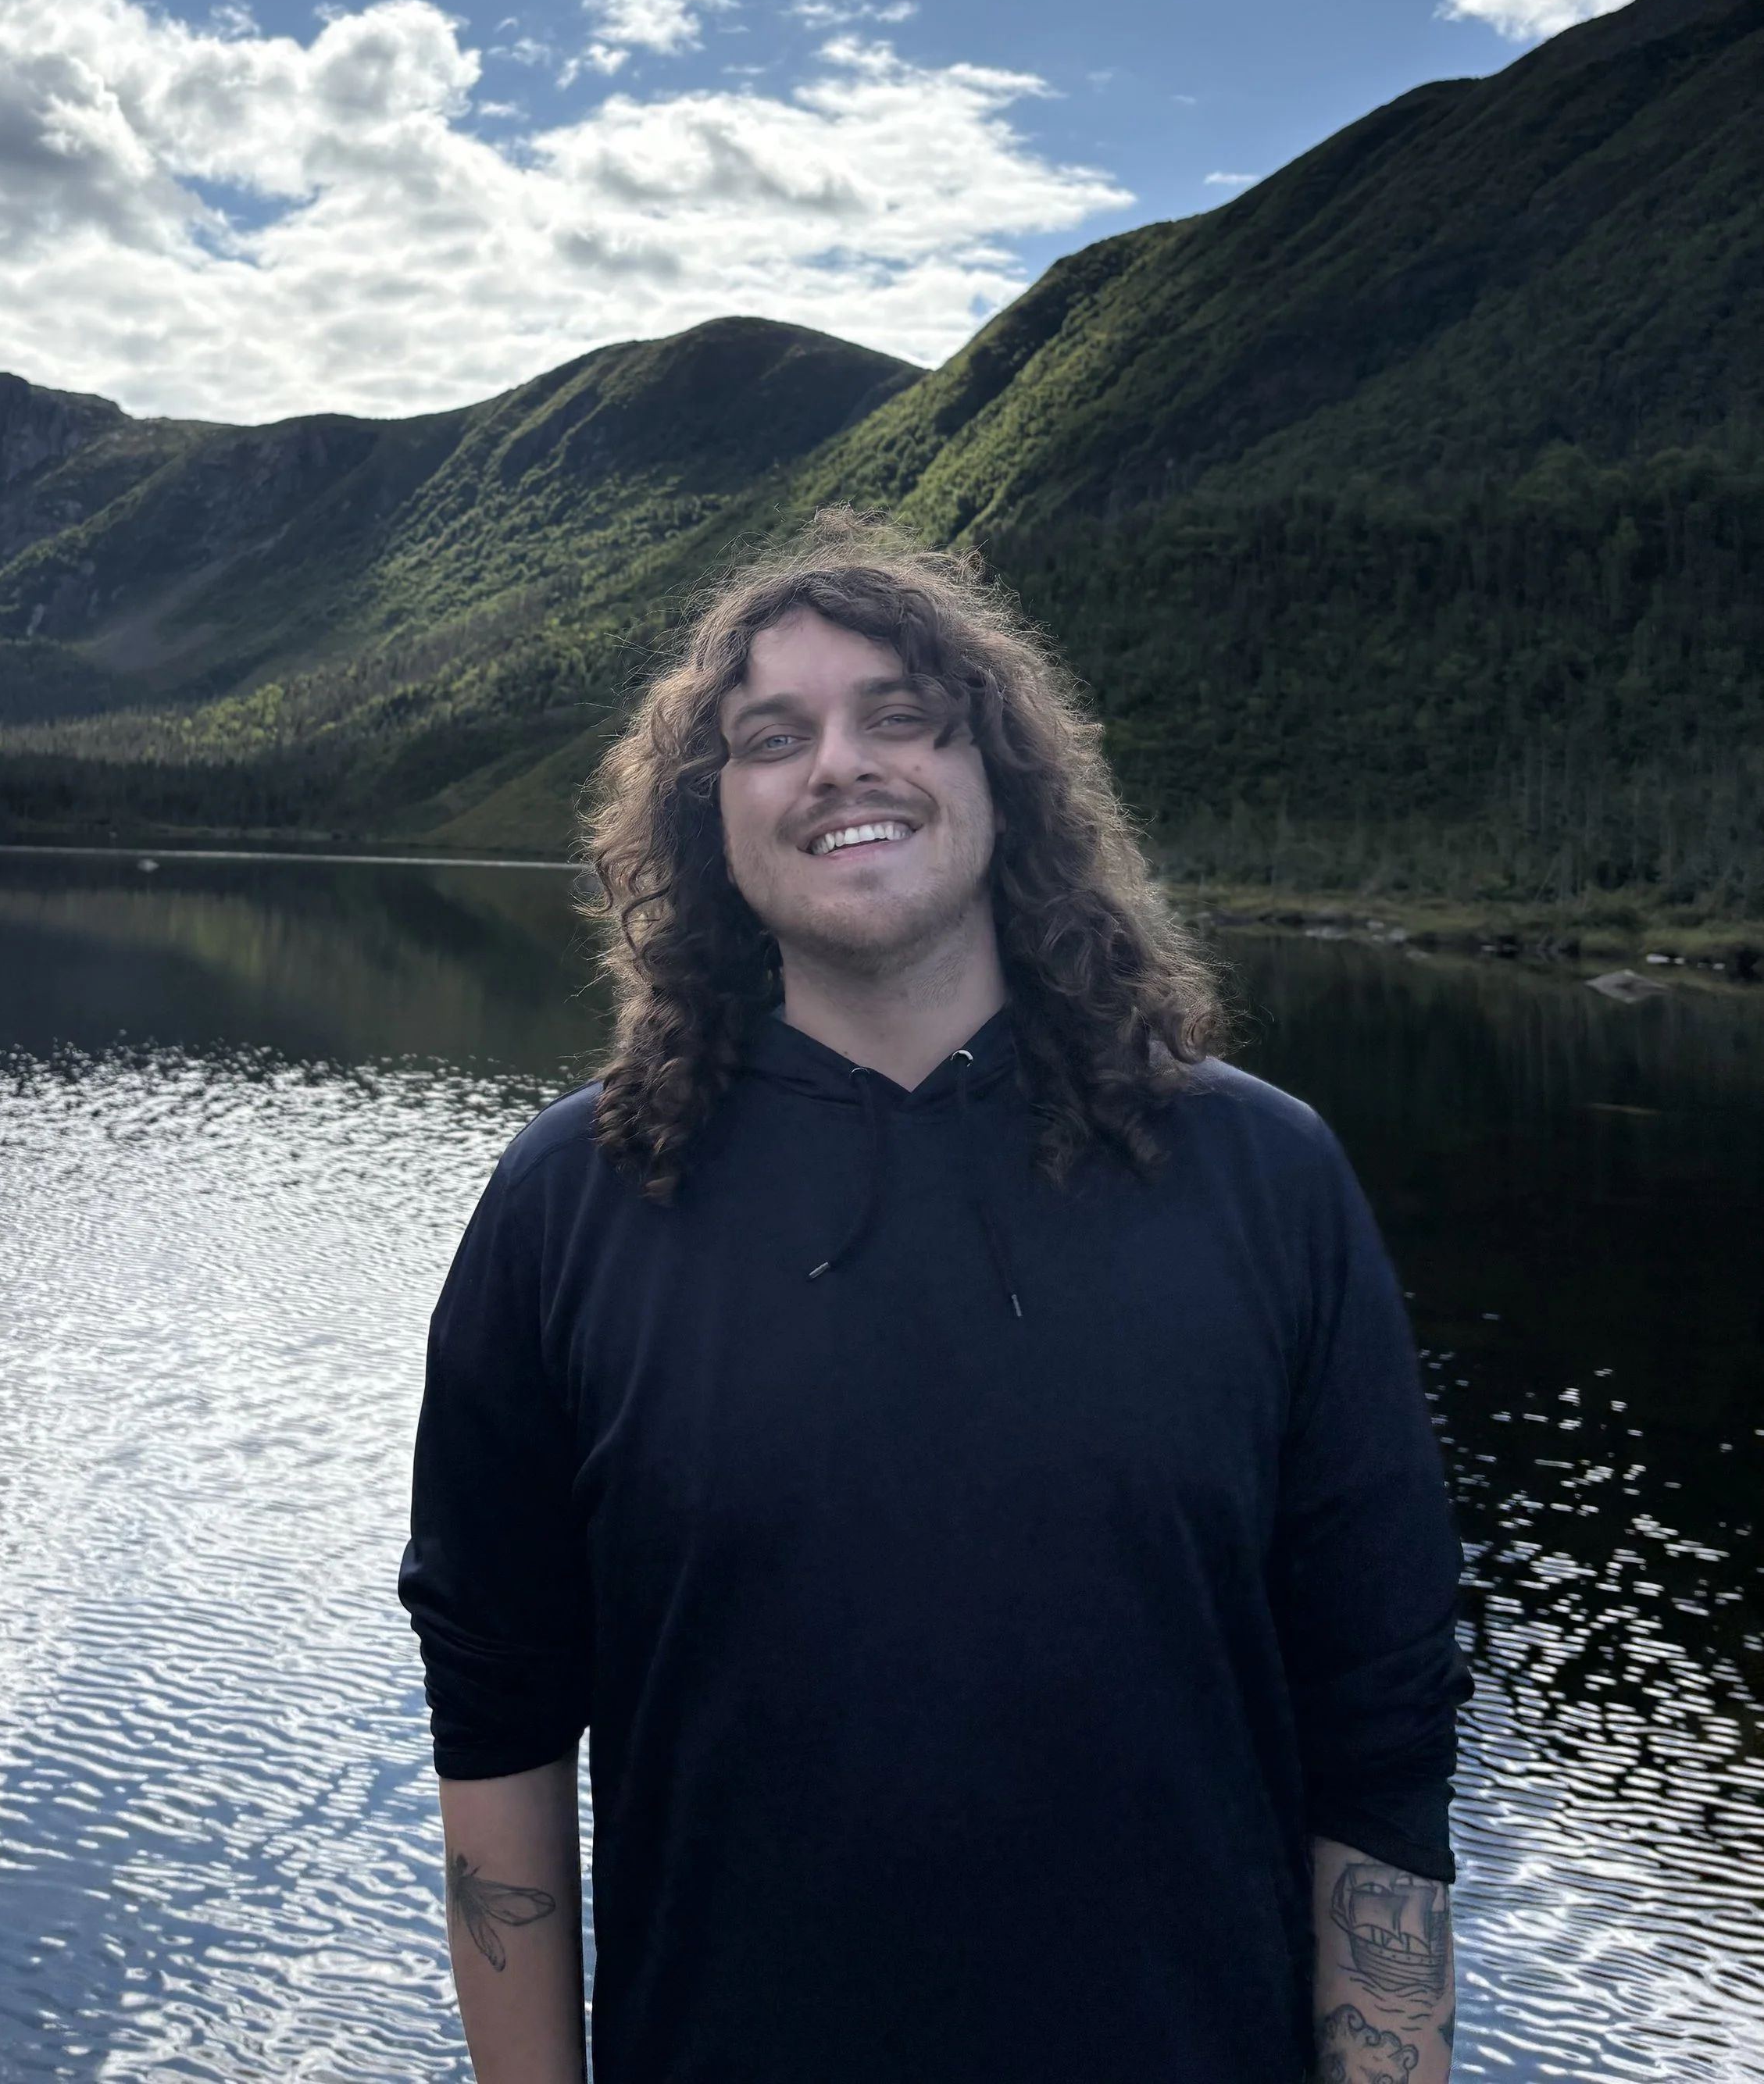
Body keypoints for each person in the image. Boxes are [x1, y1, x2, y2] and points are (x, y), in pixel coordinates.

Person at [399, 510, 1469, 2084]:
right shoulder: (570, 1205)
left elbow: (1377, 1728)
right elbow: (493, 1713)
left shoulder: (1261, 1180)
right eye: (773, 736)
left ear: (998, 779)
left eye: (899, 714)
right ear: (712, 821)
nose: (839, 764)